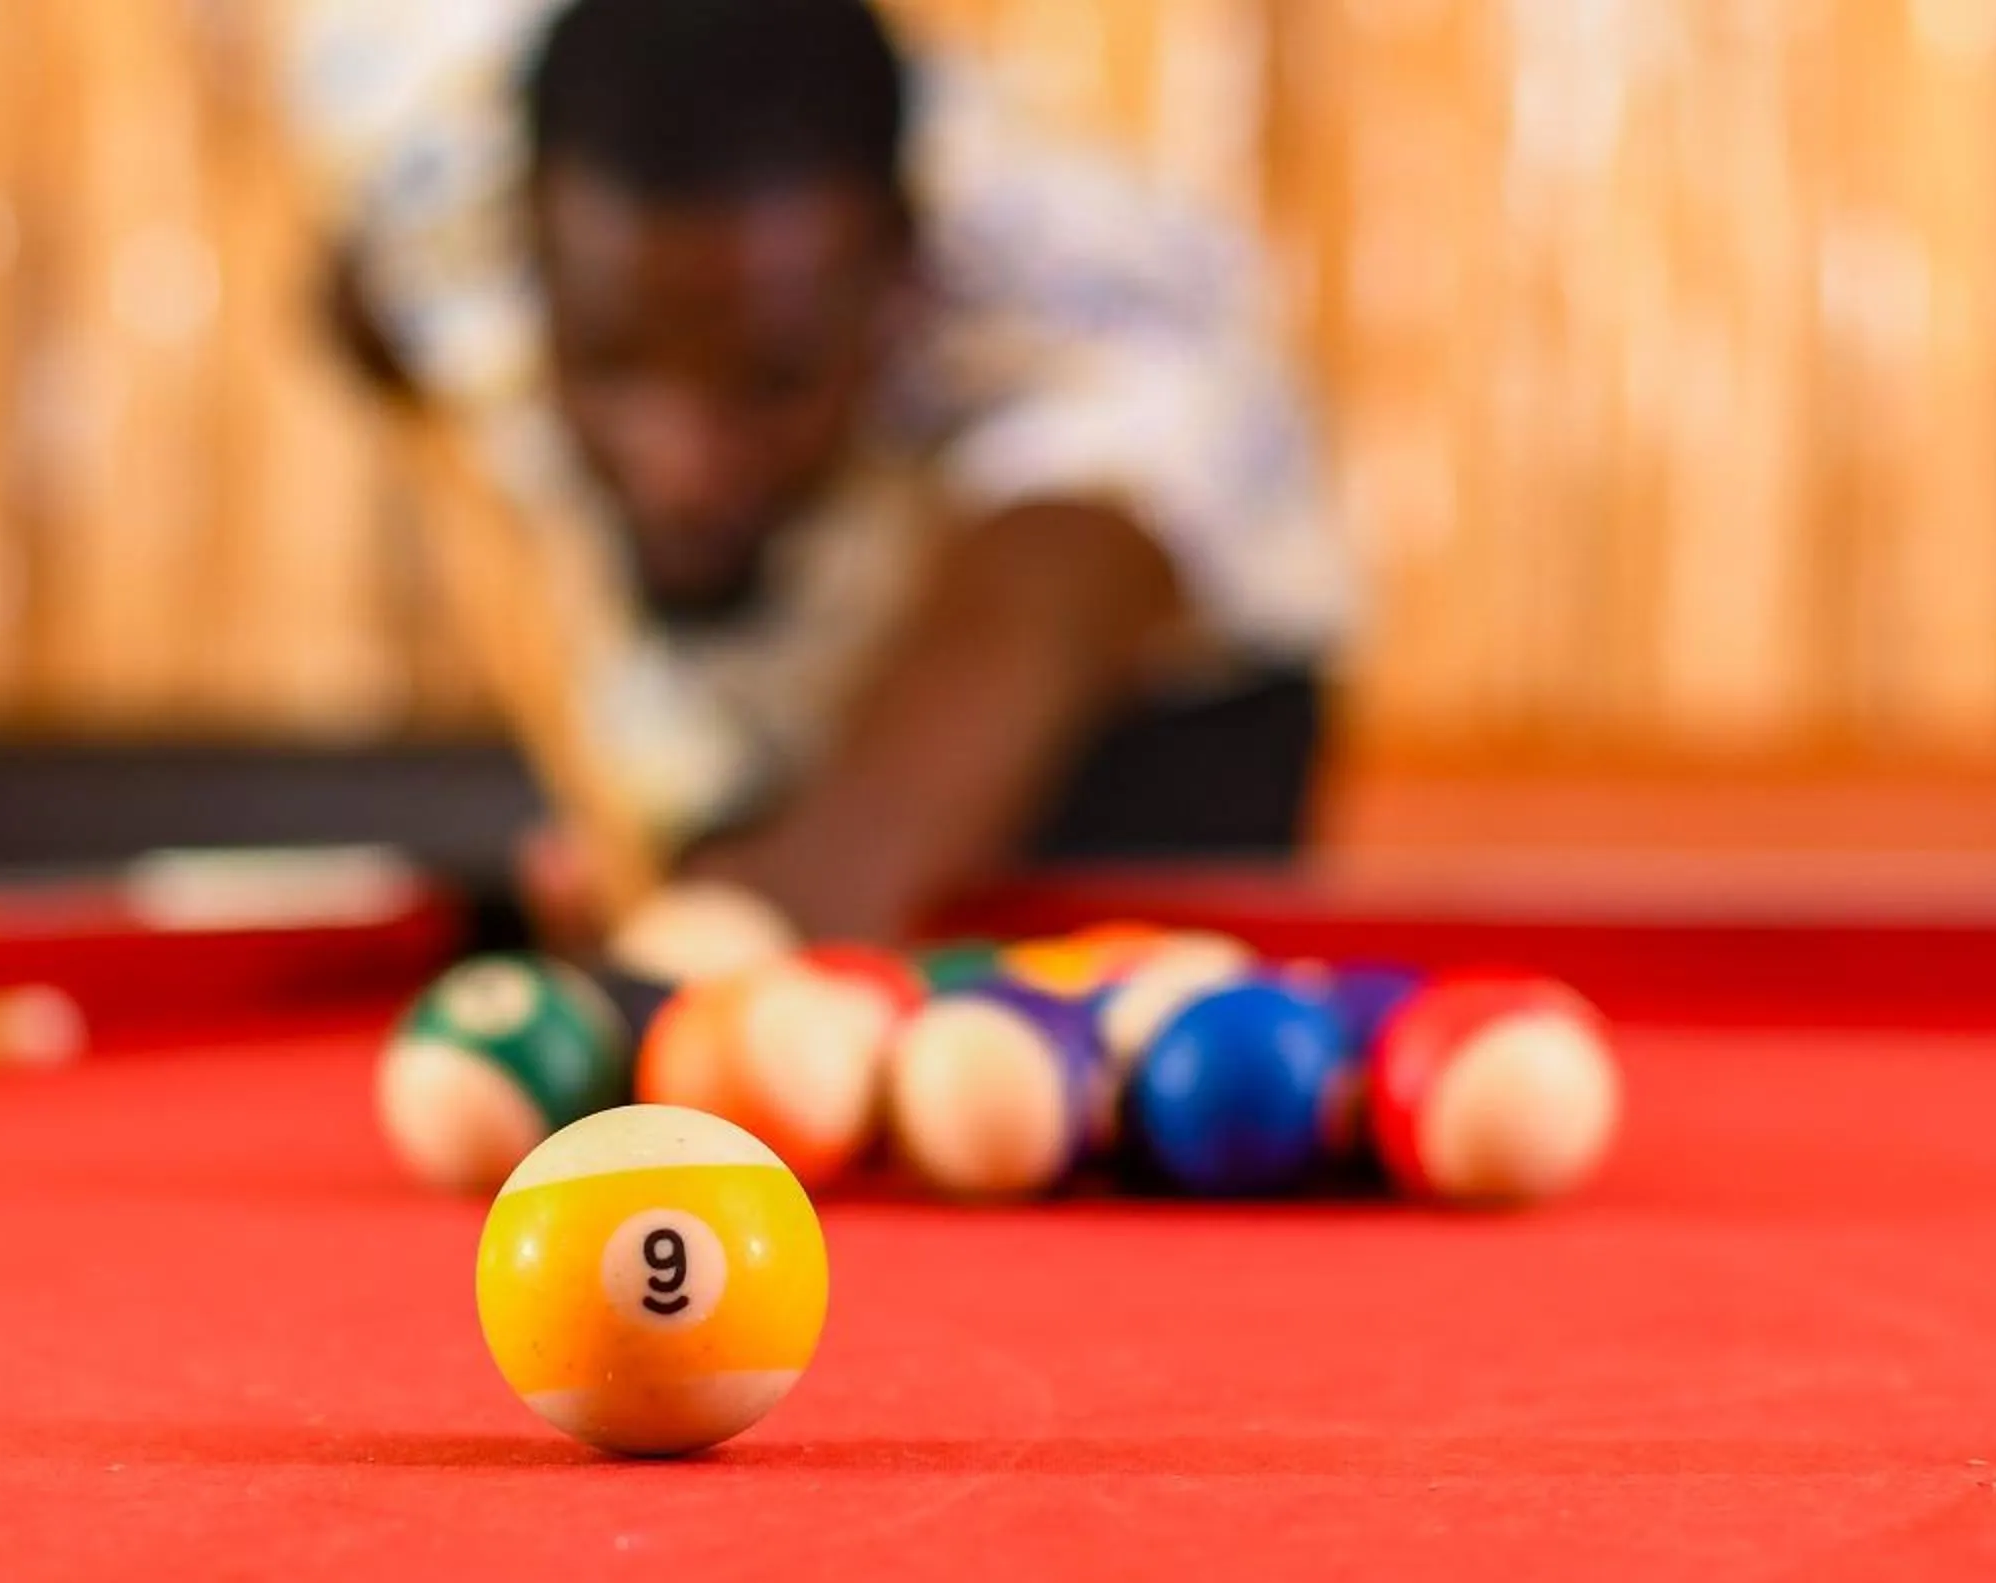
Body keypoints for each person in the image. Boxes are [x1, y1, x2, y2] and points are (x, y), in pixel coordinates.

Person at [290, 0, 1350, 941]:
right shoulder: (433, 200)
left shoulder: (1096, 308)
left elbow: (1033, 611)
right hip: (773, 689)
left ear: (898, 284)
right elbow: (364, 300)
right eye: (614, 362)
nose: (682, 466)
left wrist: (757, 927)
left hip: (1148, 731)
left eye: (773, 380)